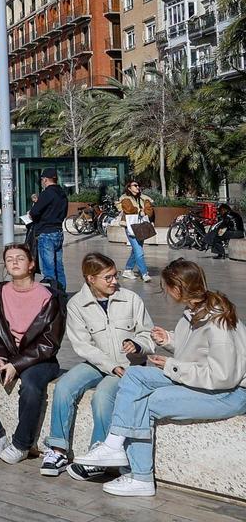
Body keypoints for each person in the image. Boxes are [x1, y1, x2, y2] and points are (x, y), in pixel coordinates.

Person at [75, 259, 246, 497]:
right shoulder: (194, 312)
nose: (165, 292)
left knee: (146, 402)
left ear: (177, 288)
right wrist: (169, 340)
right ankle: (114, 446)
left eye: (166, 287)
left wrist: (171, 366)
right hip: (204, 382)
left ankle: (141, 477)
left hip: (230, 393)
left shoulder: (217, 322)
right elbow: (198, 352)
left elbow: (223, 376)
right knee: (135, 375)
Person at [41, 253, 154, 479]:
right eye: (108, 277)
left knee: (102, 396)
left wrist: (137, 344)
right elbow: (83, 346)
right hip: (98, 362)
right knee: (64, 387)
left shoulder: (131, 299)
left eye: (115, 276)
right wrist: (110, 366)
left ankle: (99, 453)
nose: (114, 281)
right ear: (90, 279)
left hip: (129, 366)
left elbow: (148, 334)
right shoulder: (76, 305)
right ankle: (58, 449)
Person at [0, 242, 64, 464]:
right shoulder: (1, 294)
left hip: (39, 358)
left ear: (31, 264)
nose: (14, 262)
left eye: (20, 258)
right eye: (9, 259)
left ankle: (21, 444)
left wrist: (16, 365)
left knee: (31, 386)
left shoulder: (50, 297)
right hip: (6, 352)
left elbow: (49, 343)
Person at [27, 168, 69, 291]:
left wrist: (31, 212)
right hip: (58, 231)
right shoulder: (62, 193)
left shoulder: (47, 193)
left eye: (42, 179)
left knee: (48, 268)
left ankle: (51, 295)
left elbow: (34, 212)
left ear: (45, 179)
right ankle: (62, 293)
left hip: (46, 233)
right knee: (58, 267)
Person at [118, 180, 154, 281]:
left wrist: (144, 211)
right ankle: (144, 273)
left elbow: (149, 210)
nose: (138, 187)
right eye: (135, 185)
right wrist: (140, 211)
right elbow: (128, 209)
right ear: (129, 188)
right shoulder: (125, 198)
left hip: (141, 226)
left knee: (136, 250)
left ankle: (128, 270)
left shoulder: (144, 198)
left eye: (138, 185)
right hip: (130, 225)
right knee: (139, 251)